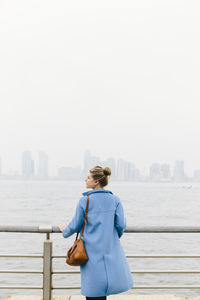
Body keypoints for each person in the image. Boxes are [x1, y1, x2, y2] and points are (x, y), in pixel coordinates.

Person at [59, 165, 133, 300]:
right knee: (105, 288)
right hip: (109, 249)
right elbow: (121, 224)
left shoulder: (85, 200)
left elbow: (75, 225)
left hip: (90, 251)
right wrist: (113, 237)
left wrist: (64, 230)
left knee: (93, 292)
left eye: (88, 177)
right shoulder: (115, 200)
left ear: (96, 181)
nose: (85, 180)